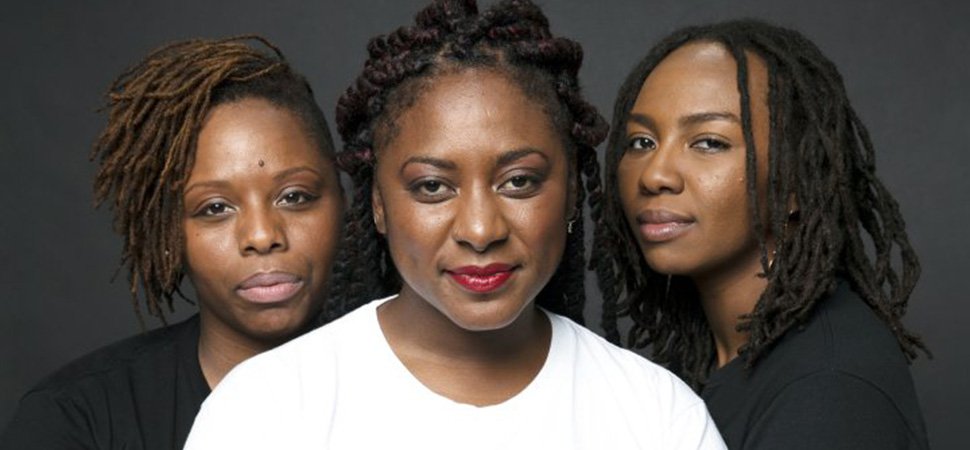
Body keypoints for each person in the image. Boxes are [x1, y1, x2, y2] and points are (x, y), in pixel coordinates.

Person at [184, 1, 725, 449]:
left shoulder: (657, 416)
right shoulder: (264, 411)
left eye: (519, 182)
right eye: (432, 187)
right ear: (377, 203)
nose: (480, 228)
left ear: (568, 193)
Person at [594, 19, 930, 449]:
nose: (655, 174)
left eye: (709, 142)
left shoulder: (826, 389)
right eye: (641, 142)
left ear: (794, 180)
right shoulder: (720, 358)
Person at [0, 36, 344, 450]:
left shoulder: (423, 392)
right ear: (168, 231)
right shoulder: (78, 419)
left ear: (345, 201)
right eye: (215, 207)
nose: (262, 236)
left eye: (295, 197)